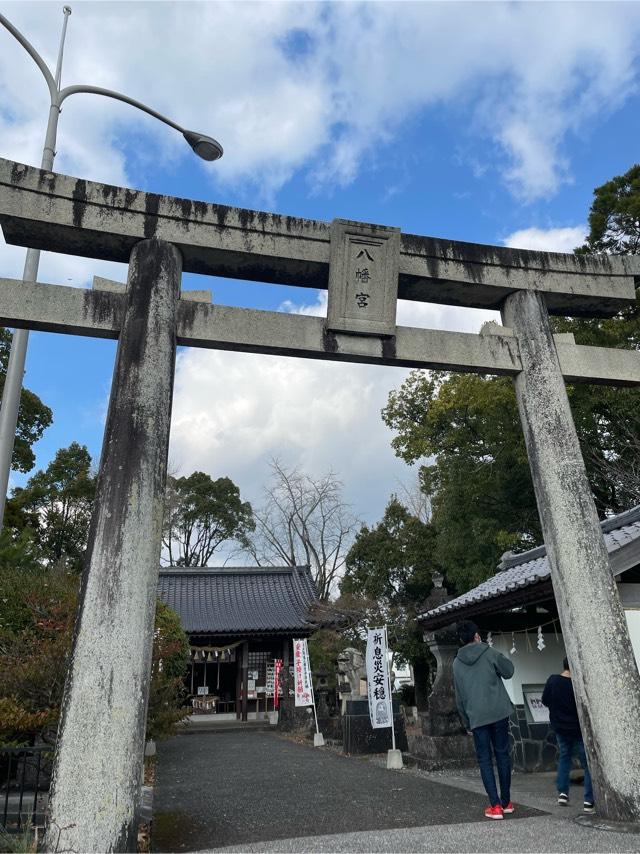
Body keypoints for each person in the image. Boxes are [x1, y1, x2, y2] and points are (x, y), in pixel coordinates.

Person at [453, 620, 515, 820]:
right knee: (502, 755)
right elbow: (509, 671)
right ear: (477, 636)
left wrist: (467, 722)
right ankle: (506, 803)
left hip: (476, 717)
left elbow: (459, 697)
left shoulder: (456, 663)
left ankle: (495, 806)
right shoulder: (489, 653)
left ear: (462, 641)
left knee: (485, 760)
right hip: (498, 712)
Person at [541, 657, 594, 813]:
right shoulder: (577, 684)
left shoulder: (552, 680)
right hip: (577, 729)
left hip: (560, 728)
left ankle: (563, 792)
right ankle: (589, 801)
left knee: (565, 758)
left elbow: (545, 700)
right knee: (587, 765)